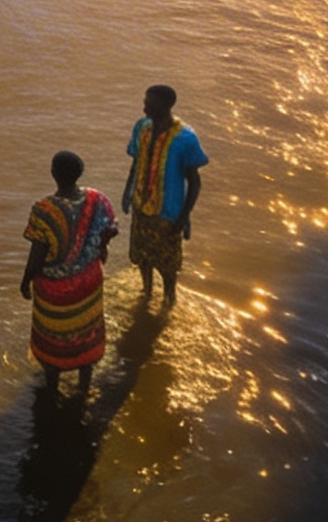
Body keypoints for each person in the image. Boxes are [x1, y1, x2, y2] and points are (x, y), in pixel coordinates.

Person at [20, 150, 116, 394]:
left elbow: (37, 254)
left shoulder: (45, 211)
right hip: (89, 281)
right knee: (86, 331)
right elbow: (111, 230)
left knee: (53, 339)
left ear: (53, 174)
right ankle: (84, 385)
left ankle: (53, 385)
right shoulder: (97, 200)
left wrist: (25, 281)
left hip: (55, 289)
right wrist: (96, 248)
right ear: (79, 173)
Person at [122, 85, 209, 309]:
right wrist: (127, 191)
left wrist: (183, 218)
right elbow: (136, 161)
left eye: (149, 102)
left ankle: (169, 300)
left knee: (168, 266)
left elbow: (195, 182)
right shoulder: (142, 127)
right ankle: (146, 292)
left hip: (168, 214)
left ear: (165, 105)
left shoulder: (185, 138)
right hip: (141, 206)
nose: (144, 106)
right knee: (142, 257)